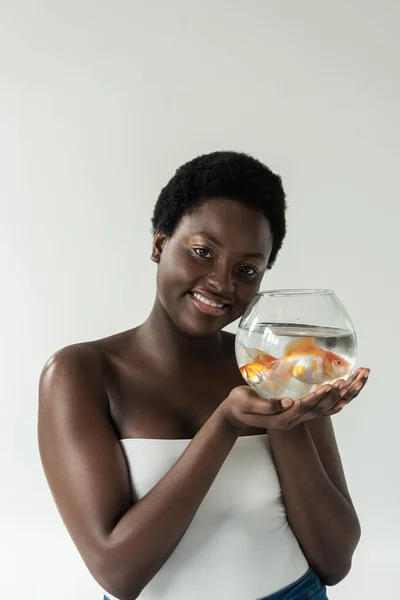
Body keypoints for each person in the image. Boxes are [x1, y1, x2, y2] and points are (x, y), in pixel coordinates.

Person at [38, 151, 369, 600]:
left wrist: (286, 423)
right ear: (159, 245)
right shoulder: (81, 375)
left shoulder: (275, 367)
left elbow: (334, 561)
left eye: (246, 270)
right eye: (202, 252)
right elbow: (117, 573)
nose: (221, 282)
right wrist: (226, 424)